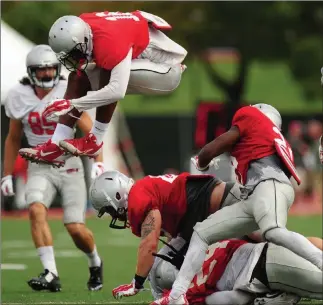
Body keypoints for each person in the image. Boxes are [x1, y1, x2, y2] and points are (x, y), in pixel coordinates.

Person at [153, 103, 323, 305]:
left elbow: (214, 147)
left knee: (273, 231)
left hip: (269, 186)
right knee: (202, 232)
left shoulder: (250, 116)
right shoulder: (272, 139)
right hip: (257, 194)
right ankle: (177, 295)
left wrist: (202, 161)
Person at [19, 10, 187, 167]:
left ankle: (94, 141)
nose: (73, 59)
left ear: (83, 40)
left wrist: (71, 104)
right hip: (143, 60)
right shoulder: (83, 25)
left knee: (108, 73)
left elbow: (116, 90)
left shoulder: (109, 41)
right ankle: (56, 145)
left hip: (167, 71)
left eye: (75, 53)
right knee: (77, 77)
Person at [1, 45, 104, 292]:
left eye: (50, 68)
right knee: (35, 209)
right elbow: (13, 137)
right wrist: (6, 174)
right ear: (31, 71)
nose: (47, 73)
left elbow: (90, 129)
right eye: (42, 69)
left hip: (69, 164)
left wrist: (98, 161)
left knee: (75, 227)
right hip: (39, 164)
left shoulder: (66, 90)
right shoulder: (18, 94)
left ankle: (95, 262)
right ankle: (51, 273)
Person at [88, 168, 242, 299]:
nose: (113, 215)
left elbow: (149, 244)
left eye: (109, 209)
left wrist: (136, 283)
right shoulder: (143, 191)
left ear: (117, 195)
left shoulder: (138, 197)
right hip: (202, 221)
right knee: (157, 271)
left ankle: (214, 292)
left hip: (227, 204)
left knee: (166, 270)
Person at [149, 237, 323, 305]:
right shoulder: (210, 240)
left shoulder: (190, 290)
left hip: (265, 271)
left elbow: (236, 299)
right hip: (268, 254)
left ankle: (274, 297)